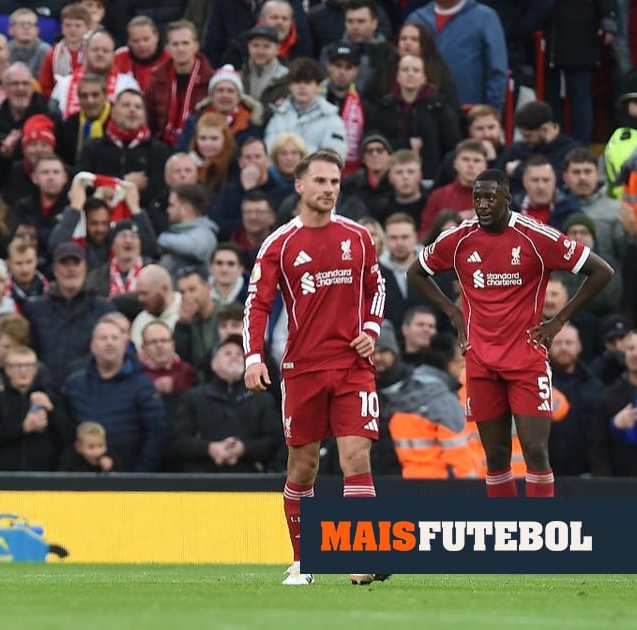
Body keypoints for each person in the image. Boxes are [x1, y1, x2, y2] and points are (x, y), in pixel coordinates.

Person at [407, 169, 614, 499]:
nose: (482, 204)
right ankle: (506, 527)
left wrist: (558, 320)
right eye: (477, 198)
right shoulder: (459, 239)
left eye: (490, 197)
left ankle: (537, 527)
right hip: (480, 360)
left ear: (507, 198)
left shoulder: (536, 236)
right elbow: (416, 272)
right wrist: (453, 312)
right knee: (496, 457)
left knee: (535, 451)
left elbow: (601, 271)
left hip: (526, 358)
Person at [242, 149, 386, 586]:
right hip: (302, 368)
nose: (328, 189)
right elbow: (257, 303)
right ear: (300, 185)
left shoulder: (358, 236)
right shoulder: (280, 243)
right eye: (320, 181)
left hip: (352, 365)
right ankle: (305, 560)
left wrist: (371, 329)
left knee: (355, 457)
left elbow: (376, 288)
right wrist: (253, 357)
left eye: (335, 182)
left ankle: (362, 556)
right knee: (303, 467)